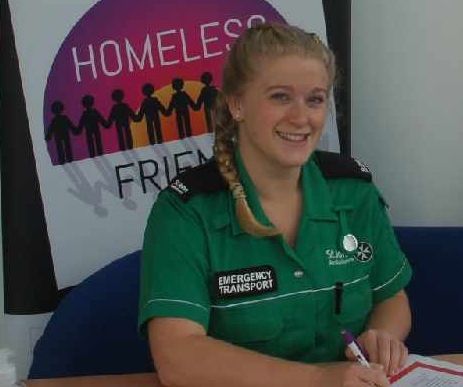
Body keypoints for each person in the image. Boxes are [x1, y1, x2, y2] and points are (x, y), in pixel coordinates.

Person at [139, 23, 413, 387]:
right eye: (281, 97)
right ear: (237, 103)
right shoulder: (186, 210)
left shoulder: (353, 191)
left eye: (314, 99)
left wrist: (382, 336)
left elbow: (392, 298)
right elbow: (178, 358)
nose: (302, 118)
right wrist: (318, 379)